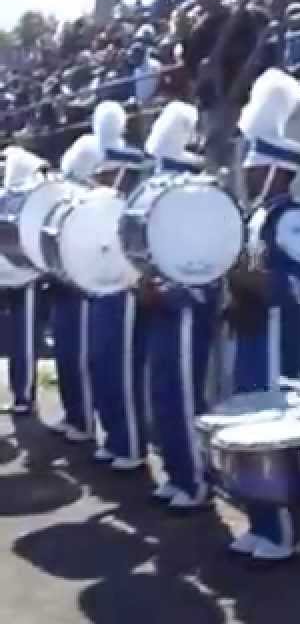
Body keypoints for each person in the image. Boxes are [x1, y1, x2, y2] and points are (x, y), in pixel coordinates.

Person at [224, 68, 300, 562]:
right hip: (249, 339)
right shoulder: (256, 215)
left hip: (275, 342)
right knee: (247, 433)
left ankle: (283, 532)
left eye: (254, 166)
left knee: (270, 436)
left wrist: (258, 286)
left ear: (276, 170)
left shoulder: (293, 218)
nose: (245, 172)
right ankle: (260, 523)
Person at [140, 101, 219, 512]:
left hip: (188, 310)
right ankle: (175, 473)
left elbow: (205, 268)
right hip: (163, 308)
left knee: (185, 395)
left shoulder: (203, 203)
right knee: (163, 393)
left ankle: (196, 480)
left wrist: (167, 294)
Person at [85, 101, 150, 471]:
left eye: (109, 174)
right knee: (102, 365)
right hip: (102, 290)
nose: (102, 181)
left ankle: (130, 442)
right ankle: (115, 436)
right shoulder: (104, 208)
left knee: (123, 369)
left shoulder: (133, 209)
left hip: (125, 292)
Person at [47, 136, 102, 442]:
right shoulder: (67, 199)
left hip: (81, 288)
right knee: (65, 356)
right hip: (61, 284)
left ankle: (85, 419)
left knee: (79, 358)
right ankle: (74, 414)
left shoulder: (93, 203)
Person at [0, 147, 46, 417]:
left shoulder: (18, 196)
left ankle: (24, 395)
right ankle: (23, 395)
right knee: (23, 338)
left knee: (23, 339)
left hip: (18, 274)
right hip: (20, 274)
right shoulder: (26, 198)